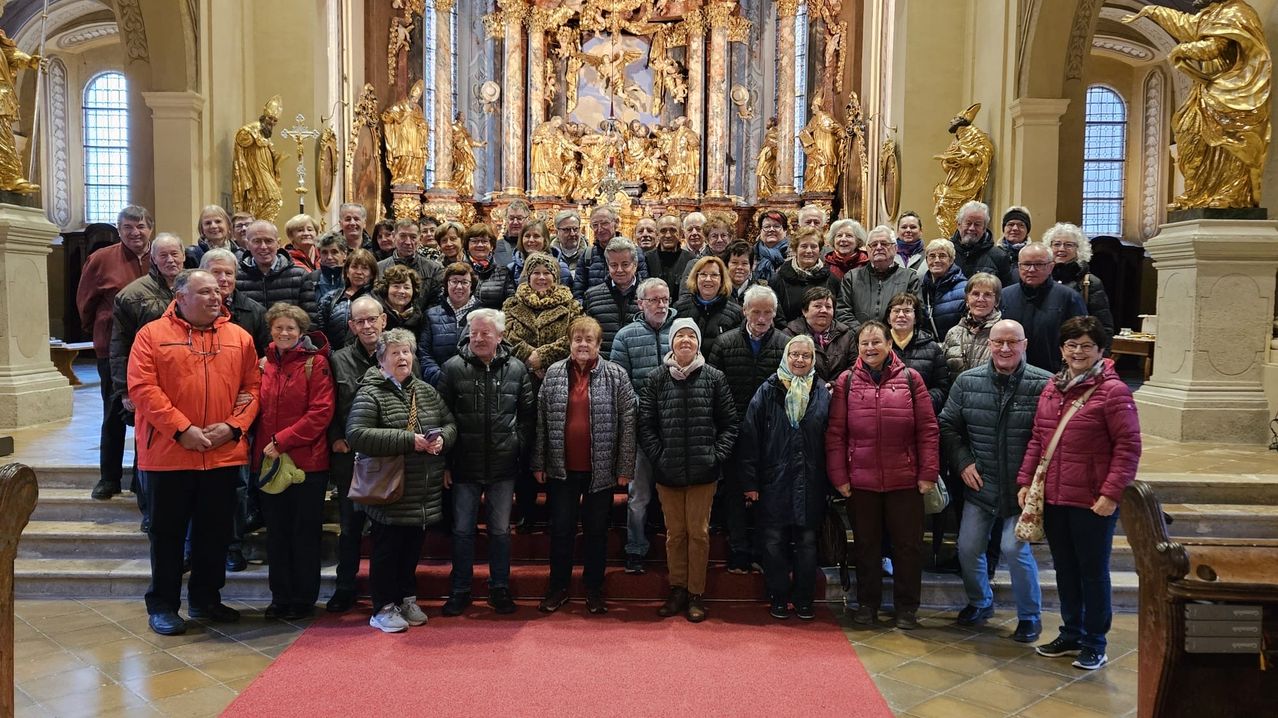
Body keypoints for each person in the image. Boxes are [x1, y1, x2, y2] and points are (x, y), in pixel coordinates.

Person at [128, 269, 261, 636]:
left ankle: (206, 599)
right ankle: (163, 606)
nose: (214, 297)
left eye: (217, 292)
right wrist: (181, 429)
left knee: (214, 534)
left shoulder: (240, 338)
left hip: (222, 453)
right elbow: (143, 388)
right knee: (168, 536)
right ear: (180, 296)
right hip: (169, 455)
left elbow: (252, 387)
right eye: (204, 292)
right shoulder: (151, 335)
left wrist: (234, 426)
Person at [1019, 316, 1141, 670]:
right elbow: (1039, 439)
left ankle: (1094, 641)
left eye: (1086, 346)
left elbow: (1128, 447)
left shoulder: (1113, 391)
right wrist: (1026, 481)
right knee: (1065, 570)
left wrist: (1111, 493)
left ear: (1101, 351)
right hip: (1056, 495)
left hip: (1092, 499)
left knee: (1092, 572)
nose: (1078, 352)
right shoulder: (1052, 387)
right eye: (1071, 345)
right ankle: (1071, 632)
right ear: (1061, 350)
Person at [940, 318, 1049, 641]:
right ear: (989, 344)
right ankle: (980, 601)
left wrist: (1032, 481)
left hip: (1021, 488)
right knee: (968, 548)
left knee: (1013, 549)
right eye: (999, 341)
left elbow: (1049, 437)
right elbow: (948, 426)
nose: (1005, 348)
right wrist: (963, 463)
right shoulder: (967, 382)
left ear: (1024, 345)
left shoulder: (1044, 384)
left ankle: (1030, 616)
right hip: (981, 483)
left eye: (1012, 342)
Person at [825, 320, 939, 630]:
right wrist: (840, 477)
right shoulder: (846, 381)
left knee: (908, 547)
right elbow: (836, 434)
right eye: (864, 343)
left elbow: (928, 430)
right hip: (861, 481)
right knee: (866, 546)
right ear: (858, 347)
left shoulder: (911, 379)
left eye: (877, 342)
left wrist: (928, 472)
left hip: (905, 478)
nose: (870, 348)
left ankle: (906, 608)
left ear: (890, 344)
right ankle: (867, 605)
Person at [347, 328, 456, 633]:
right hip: (389, 490)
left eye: (407, 352)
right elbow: (357, 434)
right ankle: (382, 607)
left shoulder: (425, 390)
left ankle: (406, 599)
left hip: (422, 489)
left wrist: (441, 440)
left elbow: (449, 423)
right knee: (387, 551)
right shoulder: (371, 392)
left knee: (411, 550)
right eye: (395, 353)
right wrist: (409, 440)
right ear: (381, 360)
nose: (403, 357)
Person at [533, 317, 636, 615]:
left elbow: (628, 422)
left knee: (596, 532)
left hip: (601, 470)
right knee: (561, 530)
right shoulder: (553, 374)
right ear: (569, 342)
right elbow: (541, 421)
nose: (582, 344)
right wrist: (539, 461)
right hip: (560, 468)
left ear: (599, 344)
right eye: (577, 338)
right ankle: (558, 588)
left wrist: (624, 466)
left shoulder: (616, 375)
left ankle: (594, 589)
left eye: (588, 339)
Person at [638, 318, 738, 623]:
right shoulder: (655, 379)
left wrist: (714, 456)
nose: (685, 341)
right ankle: (678, 588)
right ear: (671, 342)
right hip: (668, 472)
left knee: (698, 534)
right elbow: (646, 424)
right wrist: (659, 456)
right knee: (675, 535)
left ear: (697, 343)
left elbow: (730, 424)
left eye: (690, 336)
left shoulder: (714, 377)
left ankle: (696, 593)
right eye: (679, 335)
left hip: (702, 473)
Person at [437, 309, 535, 616]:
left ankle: (499, 588)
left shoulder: (518, 369)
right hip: (464, 464)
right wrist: (446, 463)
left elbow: (528, 417)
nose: (478, 338)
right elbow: (441, 416)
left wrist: (516, 443)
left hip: (503, 466)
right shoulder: (452, 368)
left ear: (500, 336)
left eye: (485, 333)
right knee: (463, 531)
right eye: (474, 333)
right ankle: (460, 590)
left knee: (500, 532)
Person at [737, 335, 830, 621]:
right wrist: (750, 484)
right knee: (774, 542)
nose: (800, 360)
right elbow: (750, 439)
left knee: (806, 543)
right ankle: (778, 596)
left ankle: (803, 599)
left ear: (813, 359)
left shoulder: (822, 392)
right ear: (786, 357)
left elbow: (831, 437)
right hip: (773, 480)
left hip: (811, 481)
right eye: (795, 354)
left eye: (806, 355)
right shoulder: (767, 390)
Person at [254, 303, 335, 620]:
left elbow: (320, 413)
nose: (284, 333)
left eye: (291, 328)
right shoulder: (264, 365)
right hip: (270, 463)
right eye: (278, 327)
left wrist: (282, 441)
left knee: (304, 533)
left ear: (302, 333)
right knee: (276, 533)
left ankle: (303, 598)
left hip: (307, 463)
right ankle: (280, 597)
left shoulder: (316, 364)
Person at [707, 285, 788, 574]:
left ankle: (764, 551)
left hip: (772, 435)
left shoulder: (785, 344)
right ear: (744, 311)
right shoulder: (725, 343)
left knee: (768, 495)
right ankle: (739, 550)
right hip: (734, 433)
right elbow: (714, 389)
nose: (762, 317)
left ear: (775, 314)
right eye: (756, 311)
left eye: (768, 312)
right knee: (734, 494)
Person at [108, 232, 184, 525]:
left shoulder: (193, 285)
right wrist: (125, 390)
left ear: (183, 255)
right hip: (149, 386)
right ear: (152, 258)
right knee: (148, 448)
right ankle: (149, 511)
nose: (170, 260)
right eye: (163, 255)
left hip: (183, 384)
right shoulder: (131, 295)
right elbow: (119, 347)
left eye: (174, 254)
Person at [201, 248, 270, 573]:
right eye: (217, 273)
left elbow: (265, 359)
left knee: (238, 484)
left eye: (229, 273)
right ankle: (195, 546)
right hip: (196, 416)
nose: (224, 279)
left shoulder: (252, 311)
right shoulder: (182, 315)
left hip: (238, 414)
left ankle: (233, 545)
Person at [78, 205, 152, 500]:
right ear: (119, 230)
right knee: (114, 413)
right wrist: (99, 329)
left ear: (150, 229)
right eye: (128, 228)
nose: (135, 233)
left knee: (147, 413)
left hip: (150, 350)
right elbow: (85, 302)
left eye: (141, 226)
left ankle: (139, 477)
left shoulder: (159, 256)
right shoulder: (101, 259)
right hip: (112, 348)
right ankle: (109, 478)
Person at [323, 296, 386, 613]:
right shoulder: (339, 360)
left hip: (387, 457)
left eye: (371, 319)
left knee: (383, 529)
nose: (367, 326)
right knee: (349, 528)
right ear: (351, 326)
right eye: (360, 321)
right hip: (350, 457)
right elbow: (329, 405)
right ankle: (345, 587)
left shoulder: (399, 355)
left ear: (383, 320)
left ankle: (382, 588)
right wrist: (335, 438)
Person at [610, 278, 677, 574]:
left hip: (676, 428)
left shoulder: (682, 330)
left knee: (675, 494)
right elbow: (620, 383)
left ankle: (675, 550)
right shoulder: (626, 336)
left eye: (665, 299)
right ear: (640, 303)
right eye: (654, 300)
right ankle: (635, 548)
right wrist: (648, 411)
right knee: (639, 496)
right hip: (641, 428)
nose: (661, 305)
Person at [1001, 242, 1087, 373]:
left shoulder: (1069, 297)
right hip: (1011, 373)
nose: (1031, 269)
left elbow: (1081, 339)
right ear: (1018, 266)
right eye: (1026, 264)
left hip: (1055, 375)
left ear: (1051, 267)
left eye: (1039, 264)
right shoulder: (1004, 295)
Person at [502, 251, 582, 383]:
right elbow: (505, 335)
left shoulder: (571, 306)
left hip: (560, 377)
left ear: (555, 277)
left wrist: (543, 357)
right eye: (536, 273)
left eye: (547, 273)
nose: (541, 277)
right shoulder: (512, 304)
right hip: (518, 378)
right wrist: (529, 356)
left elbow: (576, 337)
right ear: (529, 276)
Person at [835, 225, 922, 333]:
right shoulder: (852, 277)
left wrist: (887, 337)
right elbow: (842, 312)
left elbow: (917, 313)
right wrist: (864, 334)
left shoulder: (909, 278)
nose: (879, 247)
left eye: (884, 244)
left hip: (897, 343)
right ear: (867, 250)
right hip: (860, 342)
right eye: (874, 244)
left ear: (895, 249)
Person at [1047, 222, 1115, 346]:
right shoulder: (1041, 278)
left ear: (1078, 250)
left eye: (1069, 245)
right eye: (1056, 244)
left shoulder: (1090, 282)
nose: (1061, 249)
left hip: (1078, 353)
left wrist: (1101, 358)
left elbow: (1104, 326)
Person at [419, 262, 478, 386]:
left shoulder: (483, 314)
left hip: (474, 384)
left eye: (464, 282)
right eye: (454, 281)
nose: (459, 286)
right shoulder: (431, 315)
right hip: (439, 384)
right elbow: (424, 353)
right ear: (446, 284)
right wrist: (439, 378)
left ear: (472, 286)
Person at [574, 205, 650, 300]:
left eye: (604, 223)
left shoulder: (635, 252)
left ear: (616, 223)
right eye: (595, 225)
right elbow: (578, 292)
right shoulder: (587, 255)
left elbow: (644, 287)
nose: (600, 229)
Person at [582, 237, 642, 356]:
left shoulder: (648, 295)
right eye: (614, 265)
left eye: (625, 264)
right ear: (608, 266)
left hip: (638, 365)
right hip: (603, 366)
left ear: (635, 265)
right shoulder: (592, 296)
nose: (619, 270)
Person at [771, 226, 841, 323]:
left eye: (813, 246)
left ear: (820, 249)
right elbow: (776, 315)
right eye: (804, 246)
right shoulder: (778, 279)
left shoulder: (832, 280)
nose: (809, 251)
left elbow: (837, 314)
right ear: (795, 249)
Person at [783, 286, 854, 383]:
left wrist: (836, 385)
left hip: (839, 391)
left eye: (828, 307)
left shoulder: (847, 335)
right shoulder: (789, 335)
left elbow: (854, 368)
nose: (824, 310)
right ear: (805, 311)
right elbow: (785, 369)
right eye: (818, 306)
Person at [673, 255, 742, 348]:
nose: (708, 279)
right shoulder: (679, 309)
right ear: (695, 278)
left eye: (714, 275)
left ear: (722, 280)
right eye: (703, 274)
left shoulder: (735, 314)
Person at [943, 272, 1003, 376]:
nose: (980, 299)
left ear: (996, 301)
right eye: (975, 294)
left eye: (987, 295)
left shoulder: (1005, 333)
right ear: (967, 299)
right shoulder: (953, 333)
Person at [317, 249, 379, 350]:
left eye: (364, 268)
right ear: (347, 271)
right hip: (334, 356)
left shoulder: (378, 299)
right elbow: (320, 332)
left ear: (372, 274)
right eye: (354, 267)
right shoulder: (329, 298)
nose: (359, 272)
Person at [236, 220, 307, 308]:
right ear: (247, 245)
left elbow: (310, 317)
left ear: (278, 243)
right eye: (257, 241)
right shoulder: (236, 277)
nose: (263, 247)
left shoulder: (299, 276)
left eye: (269, 241)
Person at [376, 218, 444, 306]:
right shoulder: (379, 268)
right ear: (393, 236)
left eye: (413, 237)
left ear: (420, 239)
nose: (408, 242)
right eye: (403, 236)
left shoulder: (433, 269)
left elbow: (435, 303)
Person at [950, 201, 1015, 287]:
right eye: (968, 223)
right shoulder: (947, 252)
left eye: (977, 224)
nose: (972, 228)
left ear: (984, 228)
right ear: (959, 225)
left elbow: (1005, 292)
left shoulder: (999, 256)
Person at [920, 238, 968, 342]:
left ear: (951, 260)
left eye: (942, 256)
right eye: (932, 256)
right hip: (930, 349)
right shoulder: (921, 288)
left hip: (955, 349)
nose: (936, 260)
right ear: (926, 260)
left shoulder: (965, 289)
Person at [506, 220, 573, 290]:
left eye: (536, 236)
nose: (531, 240)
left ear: (545, 240)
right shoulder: (512, 269)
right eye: (527, 236)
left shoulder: (561, 267)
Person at [464, 223, 514, 309]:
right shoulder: (457, 271)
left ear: (492, 246)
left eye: (484, 241)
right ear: (467, 245)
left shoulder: (503, 273)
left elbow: (510, 304)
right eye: (474, 241)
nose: (480, 245)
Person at [647, 215, 694, 302]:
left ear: (680, 234)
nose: (668, 235)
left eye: (673, 230)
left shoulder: (691, 260)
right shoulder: (647, 259)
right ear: (657, 234)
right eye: (663, 231)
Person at [302, 232, 348, 317]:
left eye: (334, 252)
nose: (329, 257)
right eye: (324, 253)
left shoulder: (351, 279)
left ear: (344, 254)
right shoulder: (311, 279)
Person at [375, 264, 427, 336]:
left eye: (406, 287)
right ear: (386, 288)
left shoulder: (419, 317)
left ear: (413, 290)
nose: (401, 291)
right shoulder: (376, 313)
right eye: (396, 286)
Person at [752, 210, 789, 282]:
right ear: (760, 230)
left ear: (785, 230)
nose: (771, 229)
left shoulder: (793, 254)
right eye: (767, 226)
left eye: (776, 226)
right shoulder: (751, 253)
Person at [494, 199, 530, 267]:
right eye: (511, 218)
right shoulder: (496, 247)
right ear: (506, 220)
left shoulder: (533, 245)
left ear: (527, 220)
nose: (515, 222)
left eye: (519, 218)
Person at [894, 211, 927, 276]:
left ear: (921, 231)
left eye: (913, 227)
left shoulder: (929, 256)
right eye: (904, 227)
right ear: (897, 231)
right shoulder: (889, 256)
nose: (908, 230)